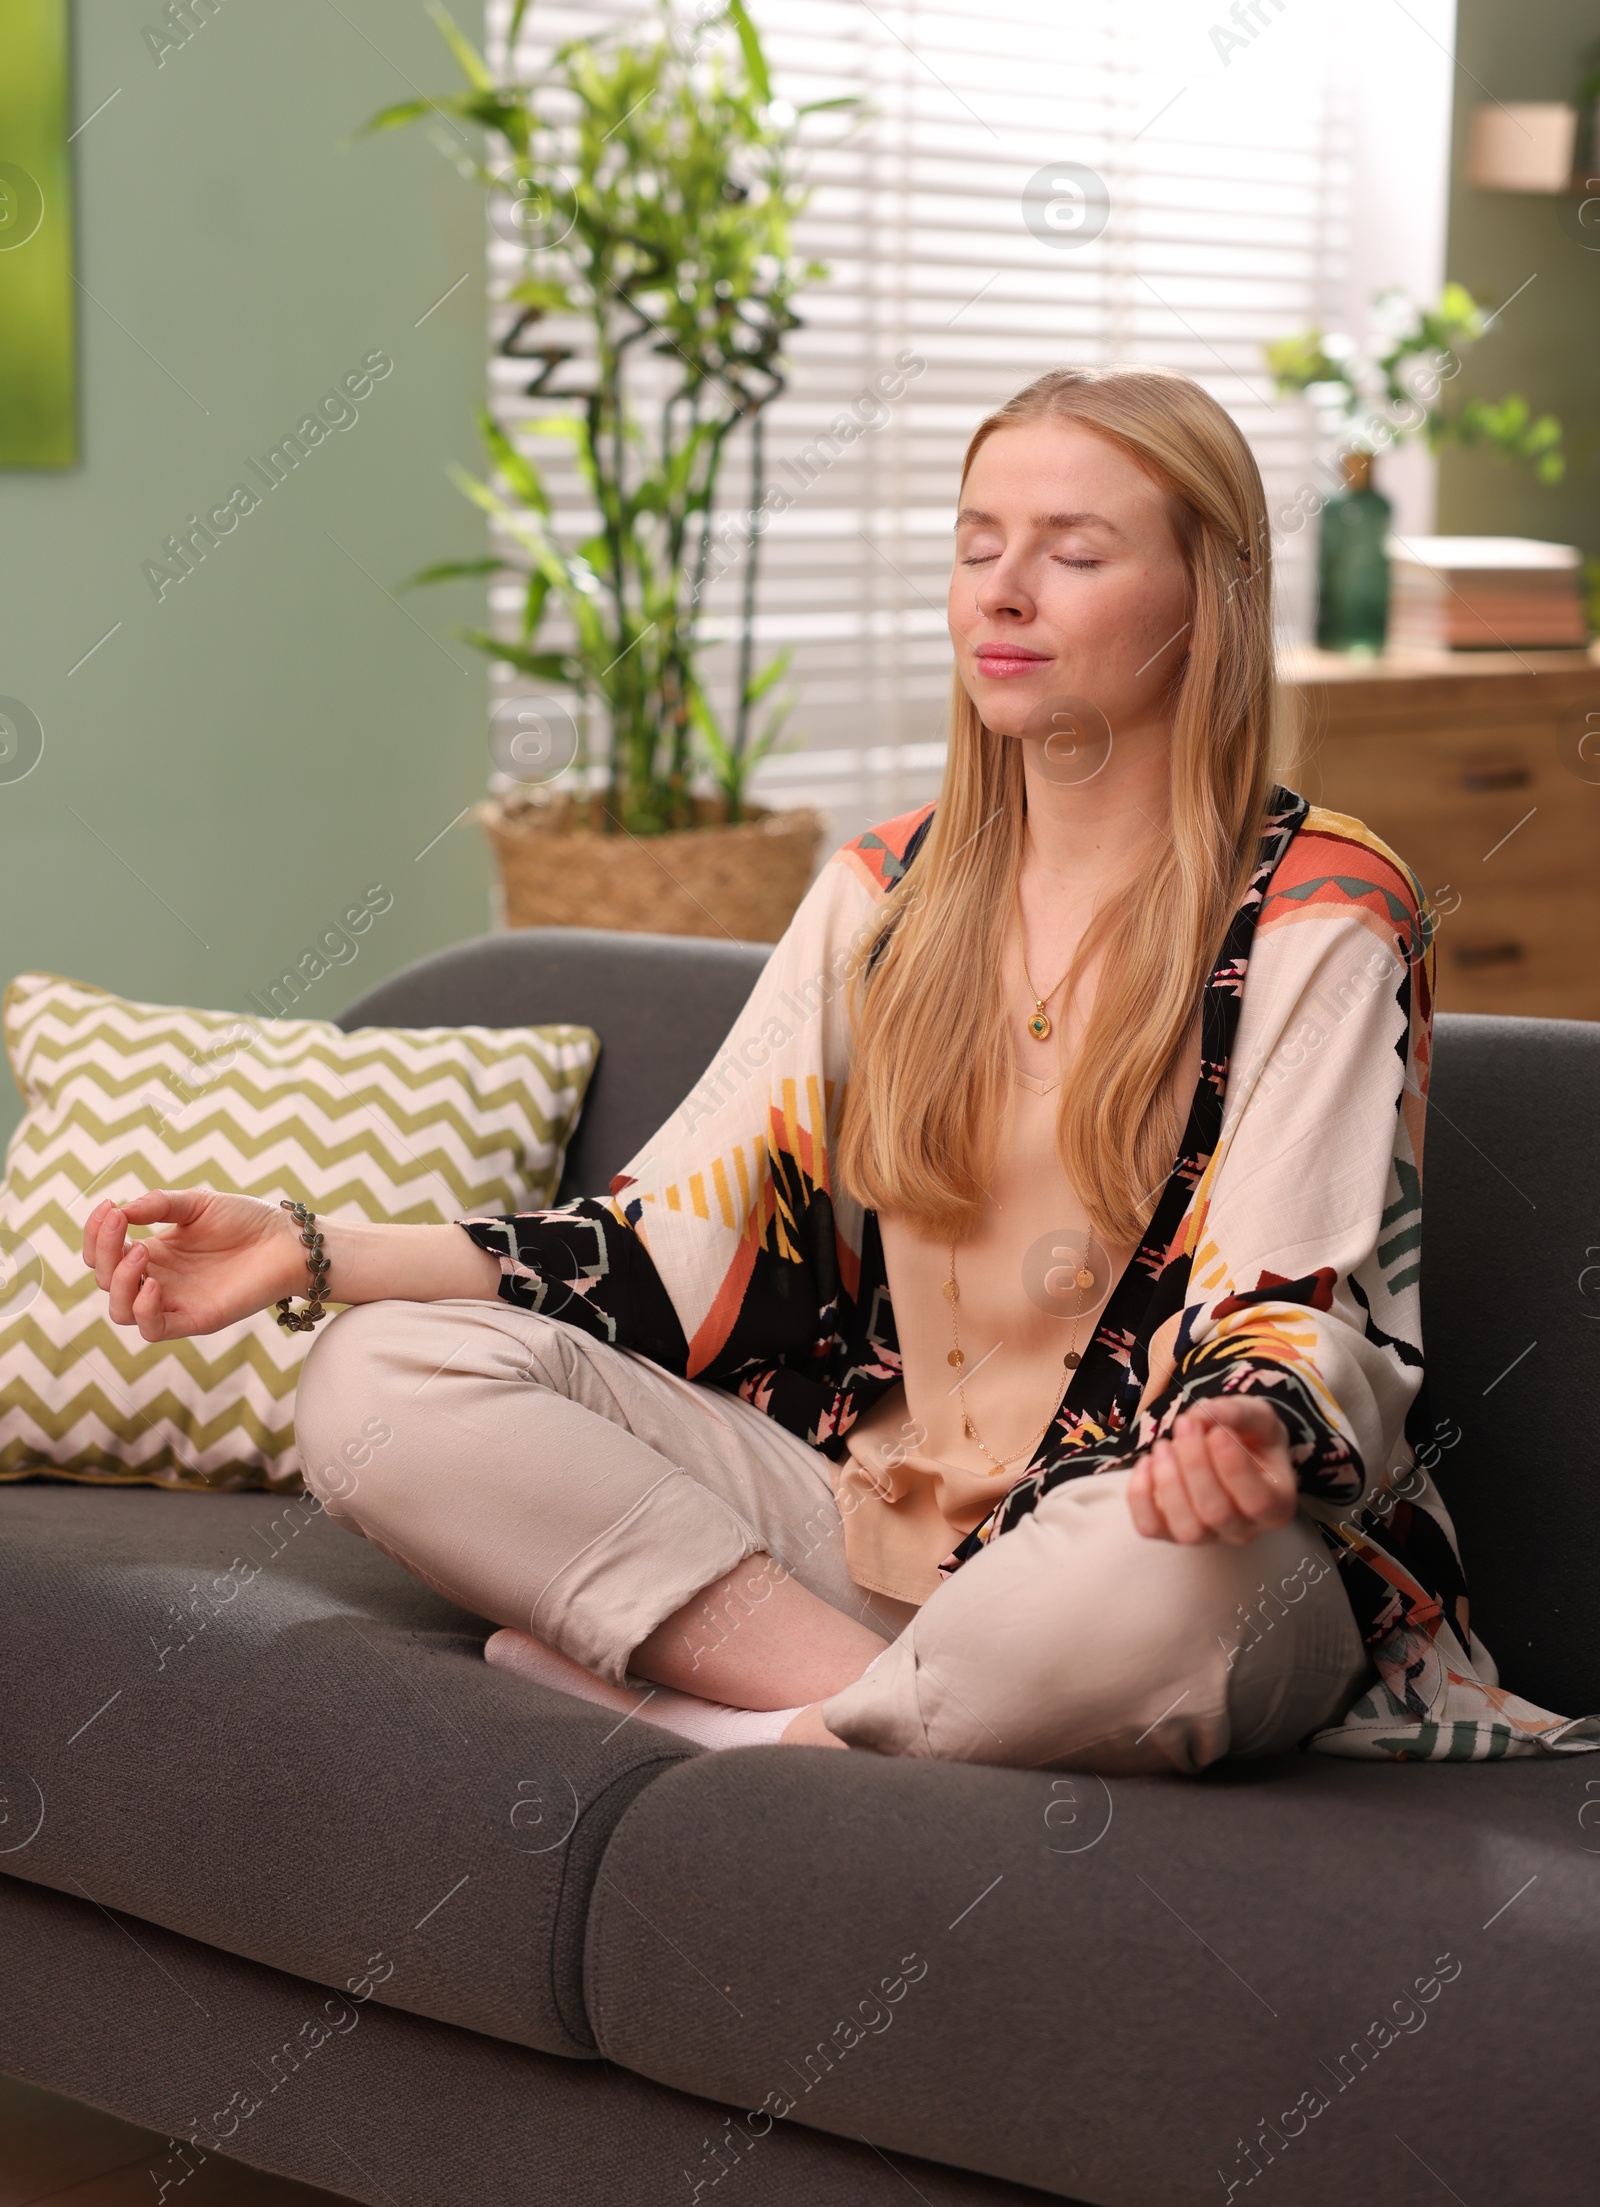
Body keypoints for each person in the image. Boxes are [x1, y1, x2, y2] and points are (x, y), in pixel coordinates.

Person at [82, 367, 1591, 1769]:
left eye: (1072, 552)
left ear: (1210, 600)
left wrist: (1245, 1431)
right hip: (875, 1539)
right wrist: (313, 1251)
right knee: (378, 1376)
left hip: (1150, 1553)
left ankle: (746, 1734)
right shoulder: (886, 888)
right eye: (978, 542)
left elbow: (1302, 1290)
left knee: (1165, 1585)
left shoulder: (1327, 905)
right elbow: (671, 1246)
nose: (1001, 590)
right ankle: (858, 1714)